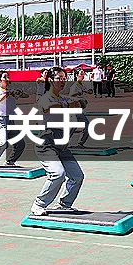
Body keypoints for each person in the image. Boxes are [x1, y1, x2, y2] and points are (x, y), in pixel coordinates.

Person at [30, 67, 84, 215]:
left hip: (61, 144)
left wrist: (74, 103)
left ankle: (64, 204)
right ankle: (39, 204)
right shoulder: (45, 98)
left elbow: (80, 103)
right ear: (50, 80)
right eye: (59, 78)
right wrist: (68, 104)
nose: (62, 81)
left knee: (77, 176)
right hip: (46, 144)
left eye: (64, 78)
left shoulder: (62, 98)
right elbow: (49, 107)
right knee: (58, 174)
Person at [0, 70, 27, 169]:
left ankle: (10, 161)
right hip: (1, 121)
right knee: (3, 142)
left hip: (11, 120)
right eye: (5, 77)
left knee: (20, 143)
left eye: (8, 77)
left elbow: (26, 96)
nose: (7, 79)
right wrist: (8, 92)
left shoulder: (10, 91)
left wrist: (19, 92)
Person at [67, 68, 92, 147]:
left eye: (83, 74)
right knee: (74, 126)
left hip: (79, 109)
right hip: (73, 109)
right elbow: (70, 95)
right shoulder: (74, 86)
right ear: (76, 75)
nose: (83, 75)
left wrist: (88, 91)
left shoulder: (81, 85)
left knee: (85, 126)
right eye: (81, 74)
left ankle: (80, 143)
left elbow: (88, 91)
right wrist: (79, 93)